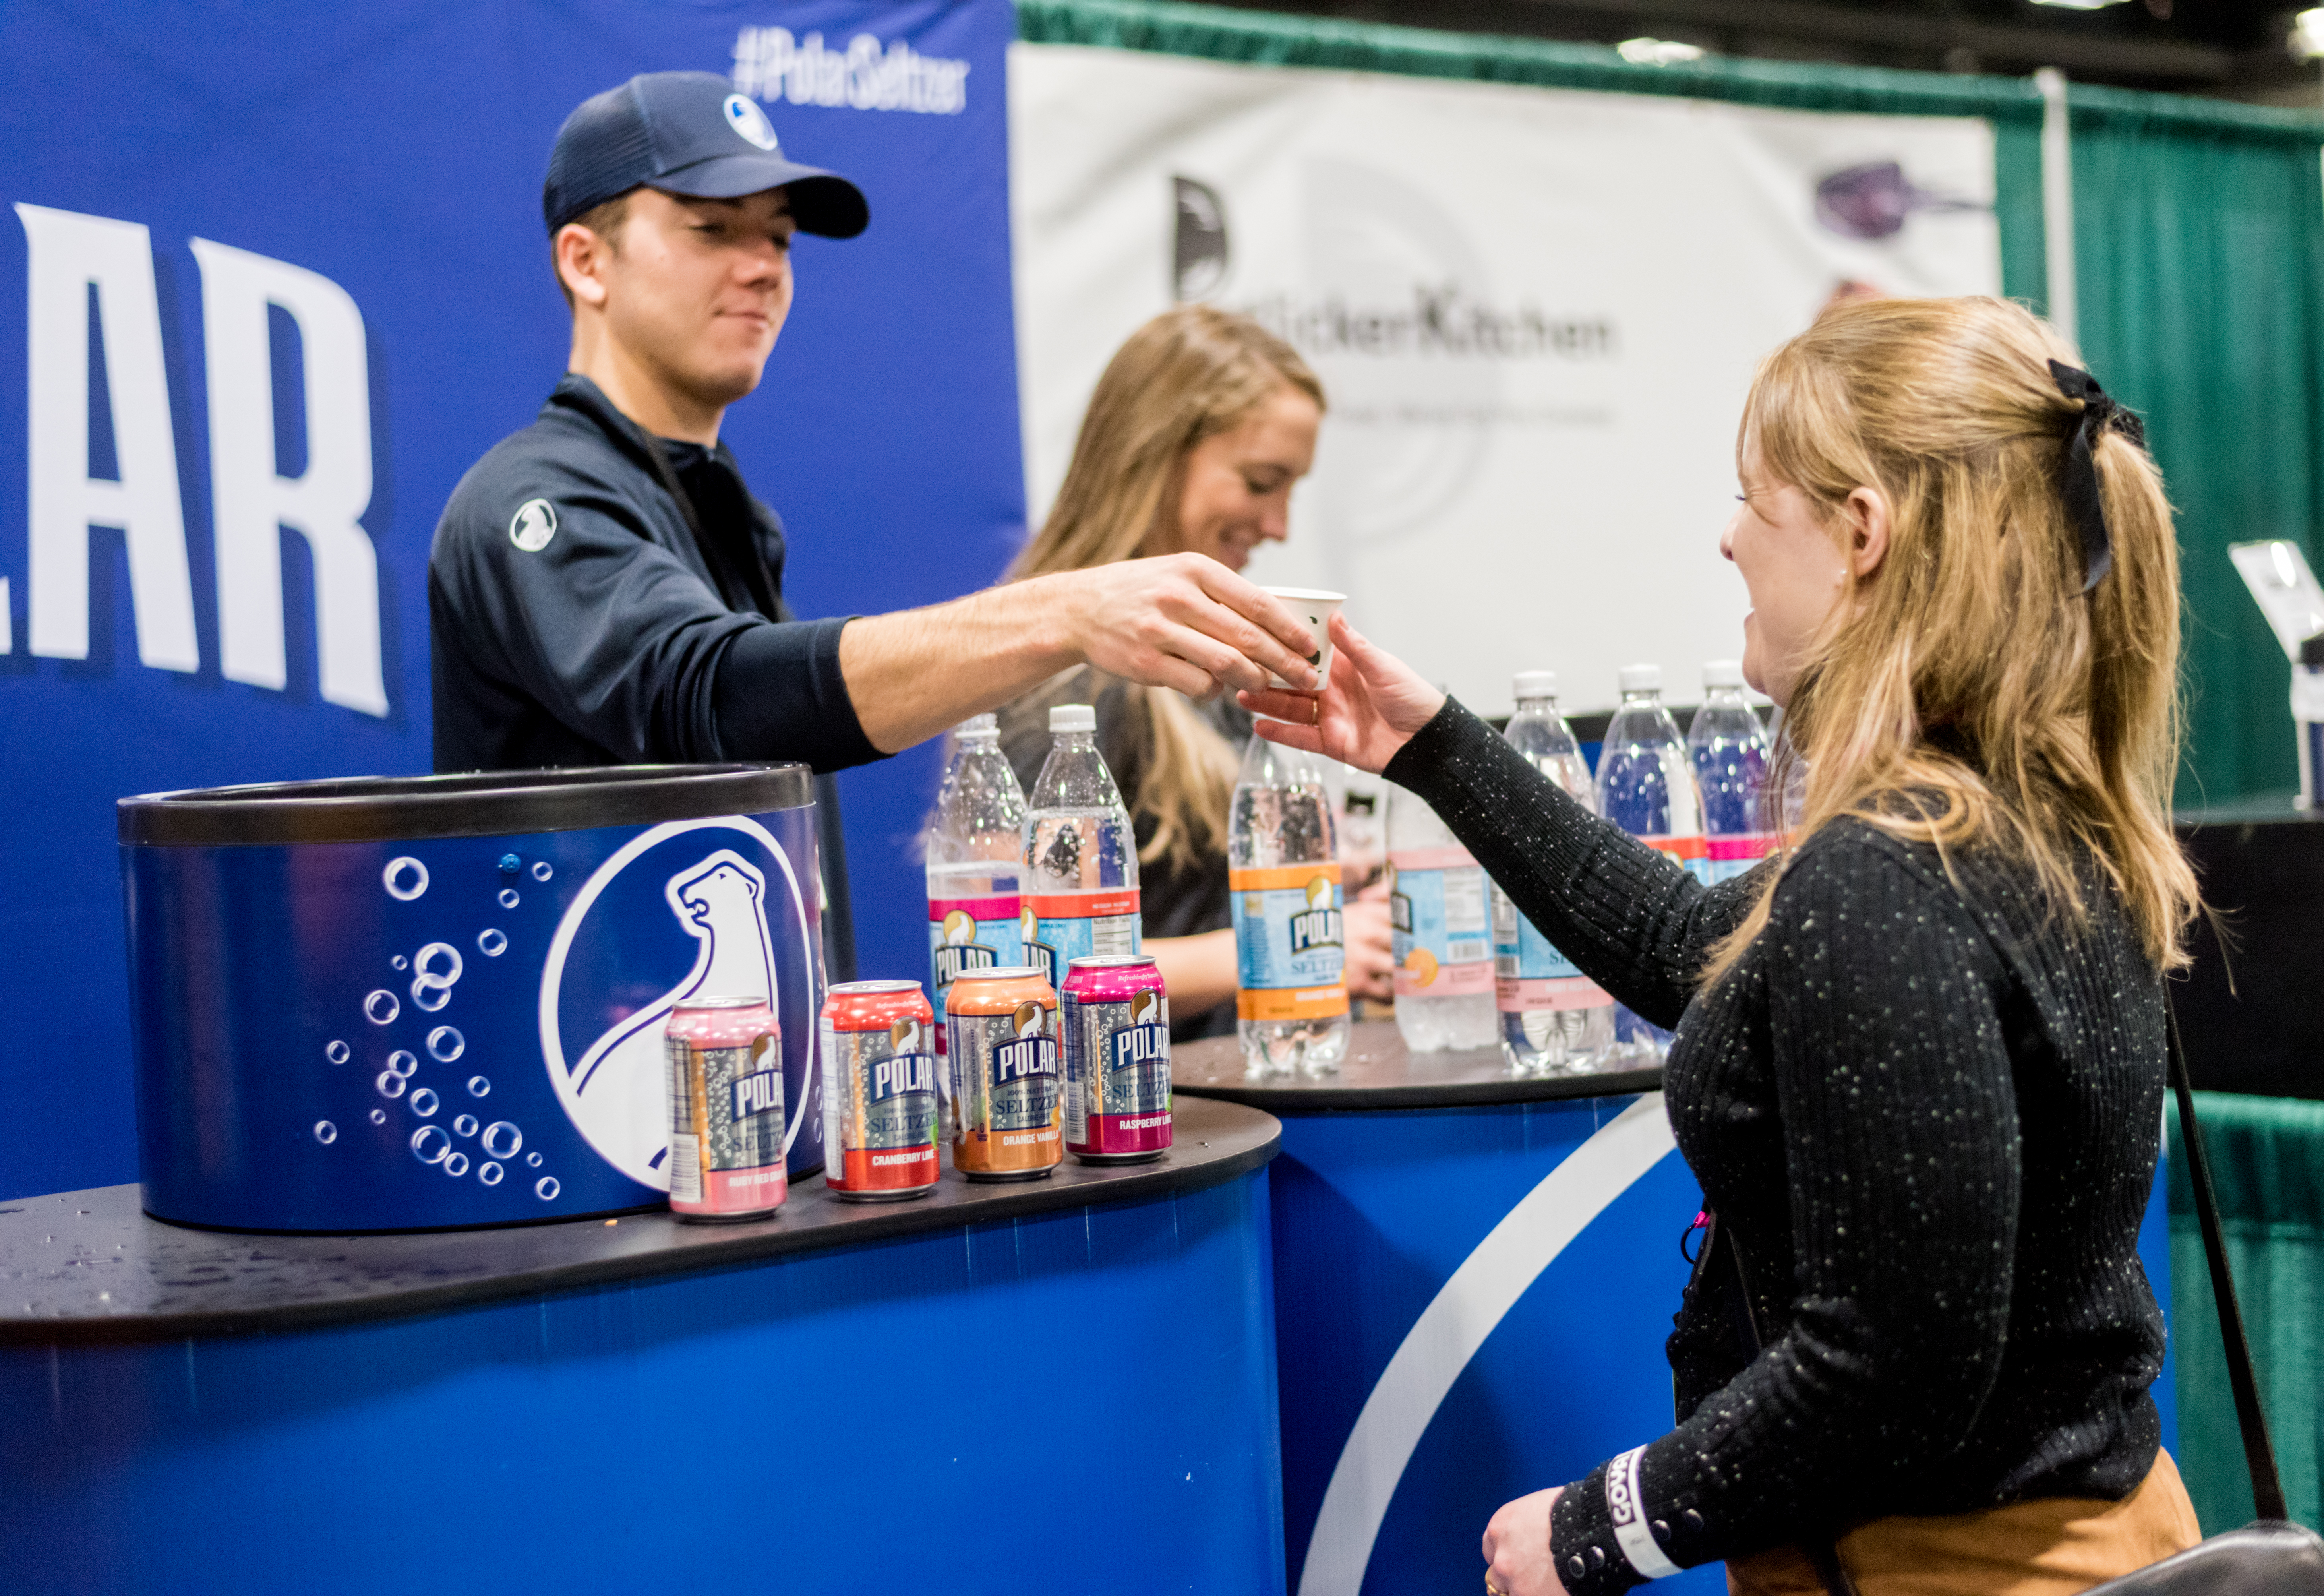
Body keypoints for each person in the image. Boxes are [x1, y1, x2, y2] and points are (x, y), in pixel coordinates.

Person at [1242, 296, 2205, 1595]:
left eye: (1755, 499)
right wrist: (1430, 743)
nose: (1725, 534)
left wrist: (1605, 1520)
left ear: (1859, 532)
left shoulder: (1891, 876)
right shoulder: (2017, 819)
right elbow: (1703, 942)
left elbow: (1893, 1364)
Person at [428, 72, 1316, 780]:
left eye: (777, 238)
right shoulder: (535, 497)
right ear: (586, 261)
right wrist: (1066, 610)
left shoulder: (714, 499)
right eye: (712, 229)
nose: (762, 268)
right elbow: (708, 705)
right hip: (586, 1009)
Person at [995, 306, 1393, 1039]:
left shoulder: (1203, 660)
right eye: (1261, 481)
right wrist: (1290, 945)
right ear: (1156, 454)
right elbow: (1037, 970)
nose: (1279, 526)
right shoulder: (1058, 687)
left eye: (1291, 490)